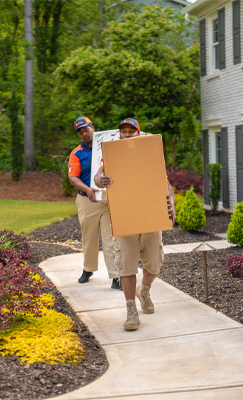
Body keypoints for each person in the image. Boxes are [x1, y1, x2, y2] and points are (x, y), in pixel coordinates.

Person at [94, 118, 176, 331]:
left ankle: (145, 290)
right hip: (125, 218)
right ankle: (131, 310)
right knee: (127, 265)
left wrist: (171, 206)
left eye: (132, 131)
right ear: (119, 135)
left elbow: (165, 183)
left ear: (138, 134)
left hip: (150, 217)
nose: (128, 135)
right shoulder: (111, 156)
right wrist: (100, 180)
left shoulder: (150, 154)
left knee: (155, 262)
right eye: (124, 132)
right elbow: (98, 175)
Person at [68, 117, 121, 290]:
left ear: (93, 128)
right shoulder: (76, 153)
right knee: (89, 237)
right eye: (81, 132)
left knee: (110, 238)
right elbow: (72, 177)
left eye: (86, 129)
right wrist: (88, 189)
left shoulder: (109, 145)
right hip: (86, 199)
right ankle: (88, 269)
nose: (84, 133)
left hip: (107, 199)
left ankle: (116, 276)